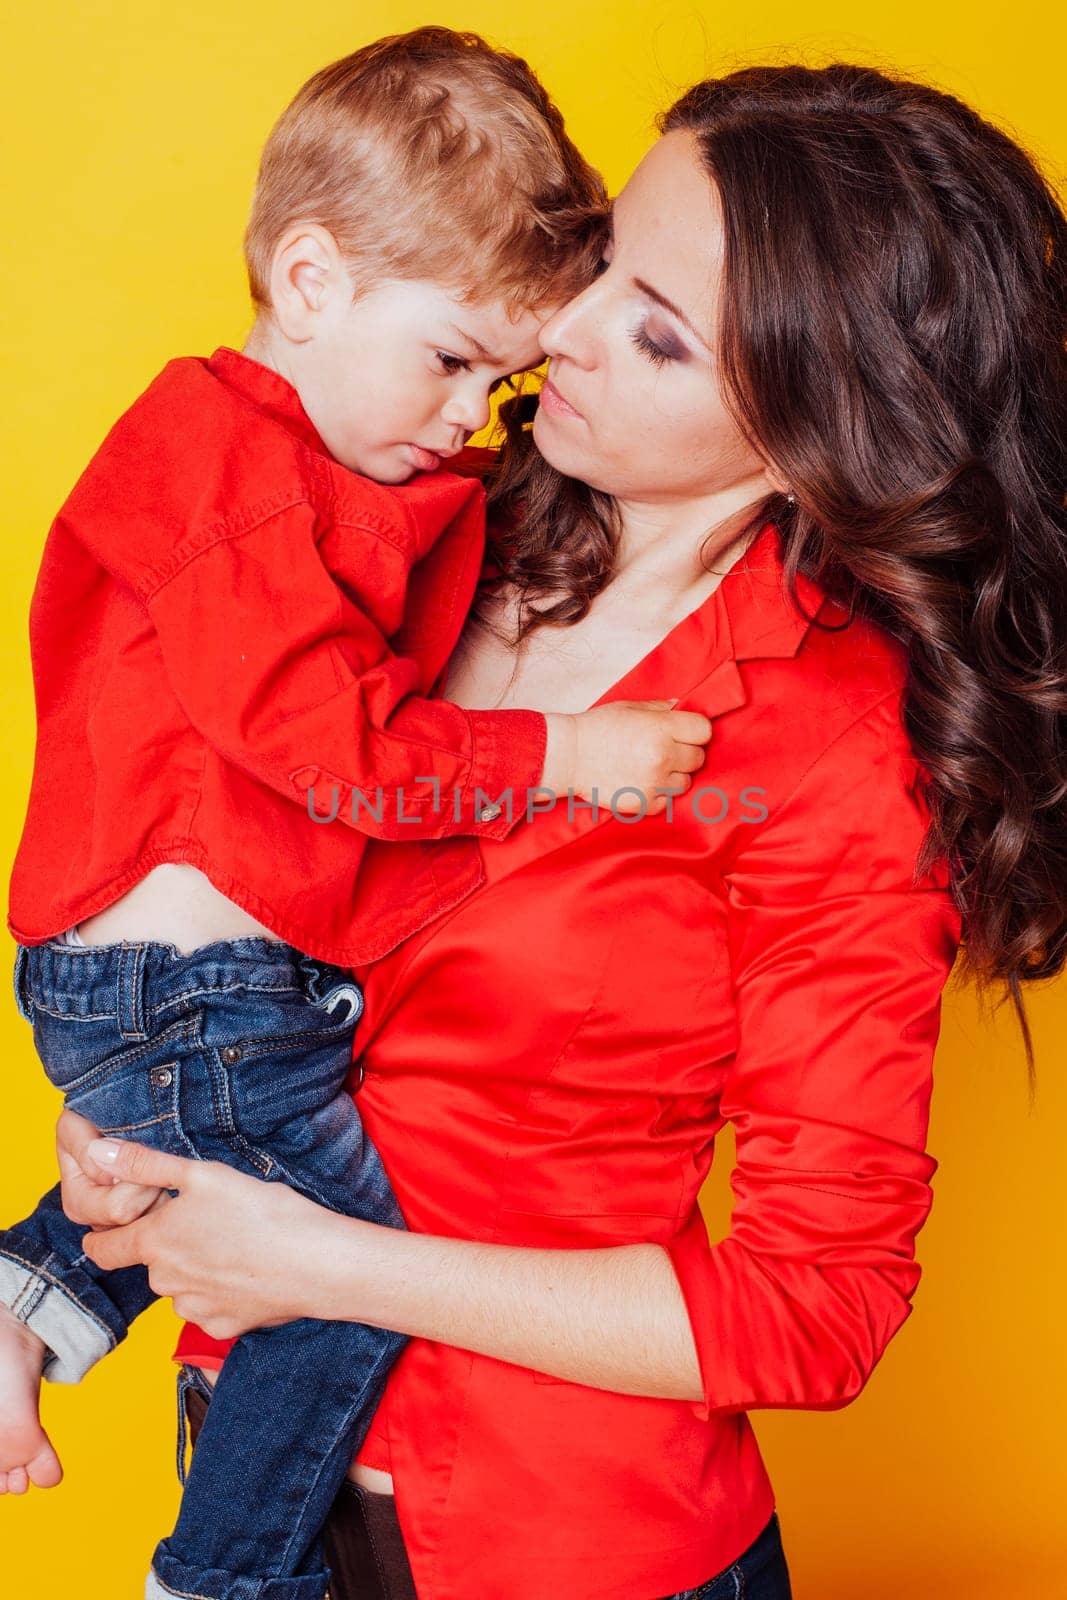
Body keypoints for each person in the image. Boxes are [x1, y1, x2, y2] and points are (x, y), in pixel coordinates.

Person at [55, 59, 1067, 1600]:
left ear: (816, 425)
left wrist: (318, 1261)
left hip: (555, 1549)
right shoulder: (418, 514)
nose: (561, 336)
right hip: (250, 1472)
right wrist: (151, 1128)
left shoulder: (834, 749)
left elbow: (814, 1308)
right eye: (603, 263)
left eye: (657, 331)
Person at [0, 26, 714, 1600]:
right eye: (454, 357)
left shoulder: (315, 465)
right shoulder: (230, 475)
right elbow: (339, 750)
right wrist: (564, 753)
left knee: (204, 1171)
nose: (473, 415)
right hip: (189, 990)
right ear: (311, 284)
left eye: (504, 380)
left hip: (201, 999)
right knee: (332, 1274)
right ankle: (223, 1576)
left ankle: (28, 1304)